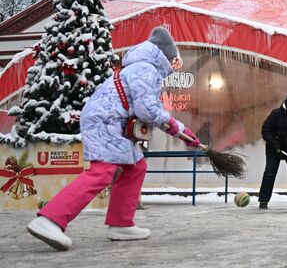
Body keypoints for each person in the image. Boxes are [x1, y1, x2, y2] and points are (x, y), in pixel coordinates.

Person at [26, 27, 201, 251]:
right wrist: (177, 128)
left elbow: (147, 107)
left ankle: (121, 223)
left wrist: (181, 131)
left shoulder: (141, 67)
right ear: (164, 56)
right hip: (105, 120)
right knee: (101, 172)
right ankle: (49, 219)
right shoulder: (146, 69)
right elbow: (147, 110)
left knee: (136, 167)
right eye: (172, 59)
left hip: (112, 122)